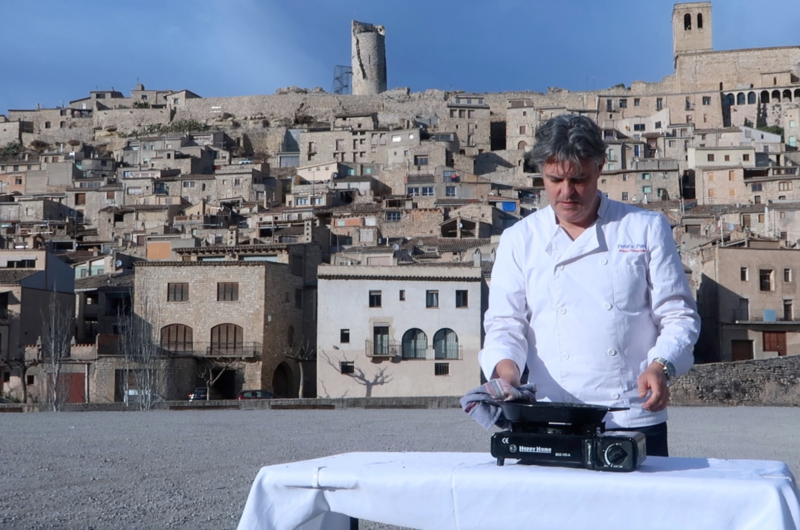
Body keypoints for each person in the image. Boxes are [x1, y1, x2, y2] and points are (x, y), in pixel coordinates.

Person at [479, 115, 700, 456]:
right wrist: (505, 374)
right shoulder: (519, 239)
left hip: (632, 414)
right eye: (555, 179)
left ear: (599, 168)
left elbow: (679, 315)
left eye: (579, 179)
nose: (566, 192)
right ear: (541, 173)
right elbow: (505, 324)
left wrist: (661, 366)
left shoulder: (645, 228)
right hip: (551, 415)